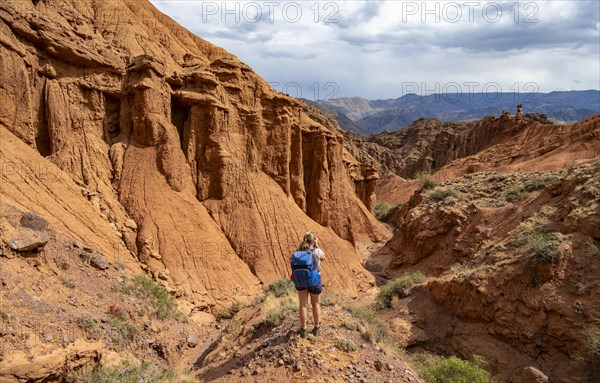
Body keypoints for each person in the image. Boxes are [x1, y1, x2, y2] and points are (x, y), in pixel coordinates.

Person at [294, 232, 325, 338]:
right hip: (314, 280)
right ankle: (316, 328)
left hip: (301, 280)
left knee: (303, 305)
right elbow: (323, 257)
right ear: (314, 241)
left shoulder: (297, 252)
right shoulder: (317, 251)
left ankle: (303, 330)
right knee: (315, 304)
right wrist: (317, 245)